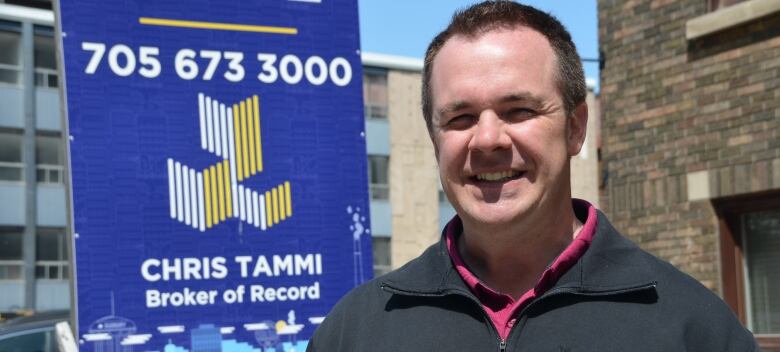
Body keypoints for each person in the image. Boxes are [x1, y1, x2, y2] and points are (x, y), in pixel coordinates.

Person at [308, 1, 759, 351]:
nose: (487, 139)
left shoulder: (691, 327)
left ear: (576, 128)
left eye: (519, 110)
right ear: (434, 137)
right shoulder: (357, 330)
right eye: (460, 117)